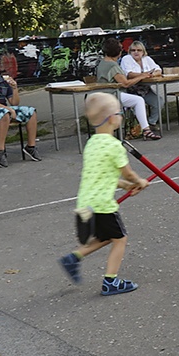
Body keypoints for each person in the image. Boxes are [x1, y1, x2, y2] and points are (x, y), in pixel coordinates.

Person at [58, 93, 149, 295]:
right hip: (102, 205)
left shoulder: (92, 143)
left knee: (107, 237)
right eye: (120, 112)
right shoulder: (114, 145)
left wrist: (124, 185)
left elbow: (102, 175)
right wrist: (138, 181)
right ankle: (111, 281)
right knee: (120, 239)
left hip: (86, 202)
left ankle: (73, 258)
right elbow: (129, 172)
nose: (122, 116)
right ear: (111, 118)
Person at [96, 37, 160, 140]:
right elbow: (125, 83)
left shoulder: (103, 62)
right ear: (118, 52)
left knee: (139, 100)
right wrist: (142, 76)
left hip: (104, 94)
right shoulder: (112, 66)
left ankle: (144, 128)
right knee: (138, 100)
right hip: (112, 94)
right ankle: (146, 129)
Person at [119, 41, 163, 135]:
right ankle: (138, 128)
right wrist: (144, 75)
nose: (136, 52)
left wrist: (152, 74)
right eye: (133, 50)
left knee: (159, 101)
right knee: (138, 105)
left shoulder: (147, 59)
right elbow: (129, 74)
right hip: (131, 90)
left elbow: (158, 70)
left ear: (143, 52)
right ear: (129, 51)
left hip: (145, 89)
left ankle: (151, 123)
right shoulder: (126, 59)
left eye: (139, 50)